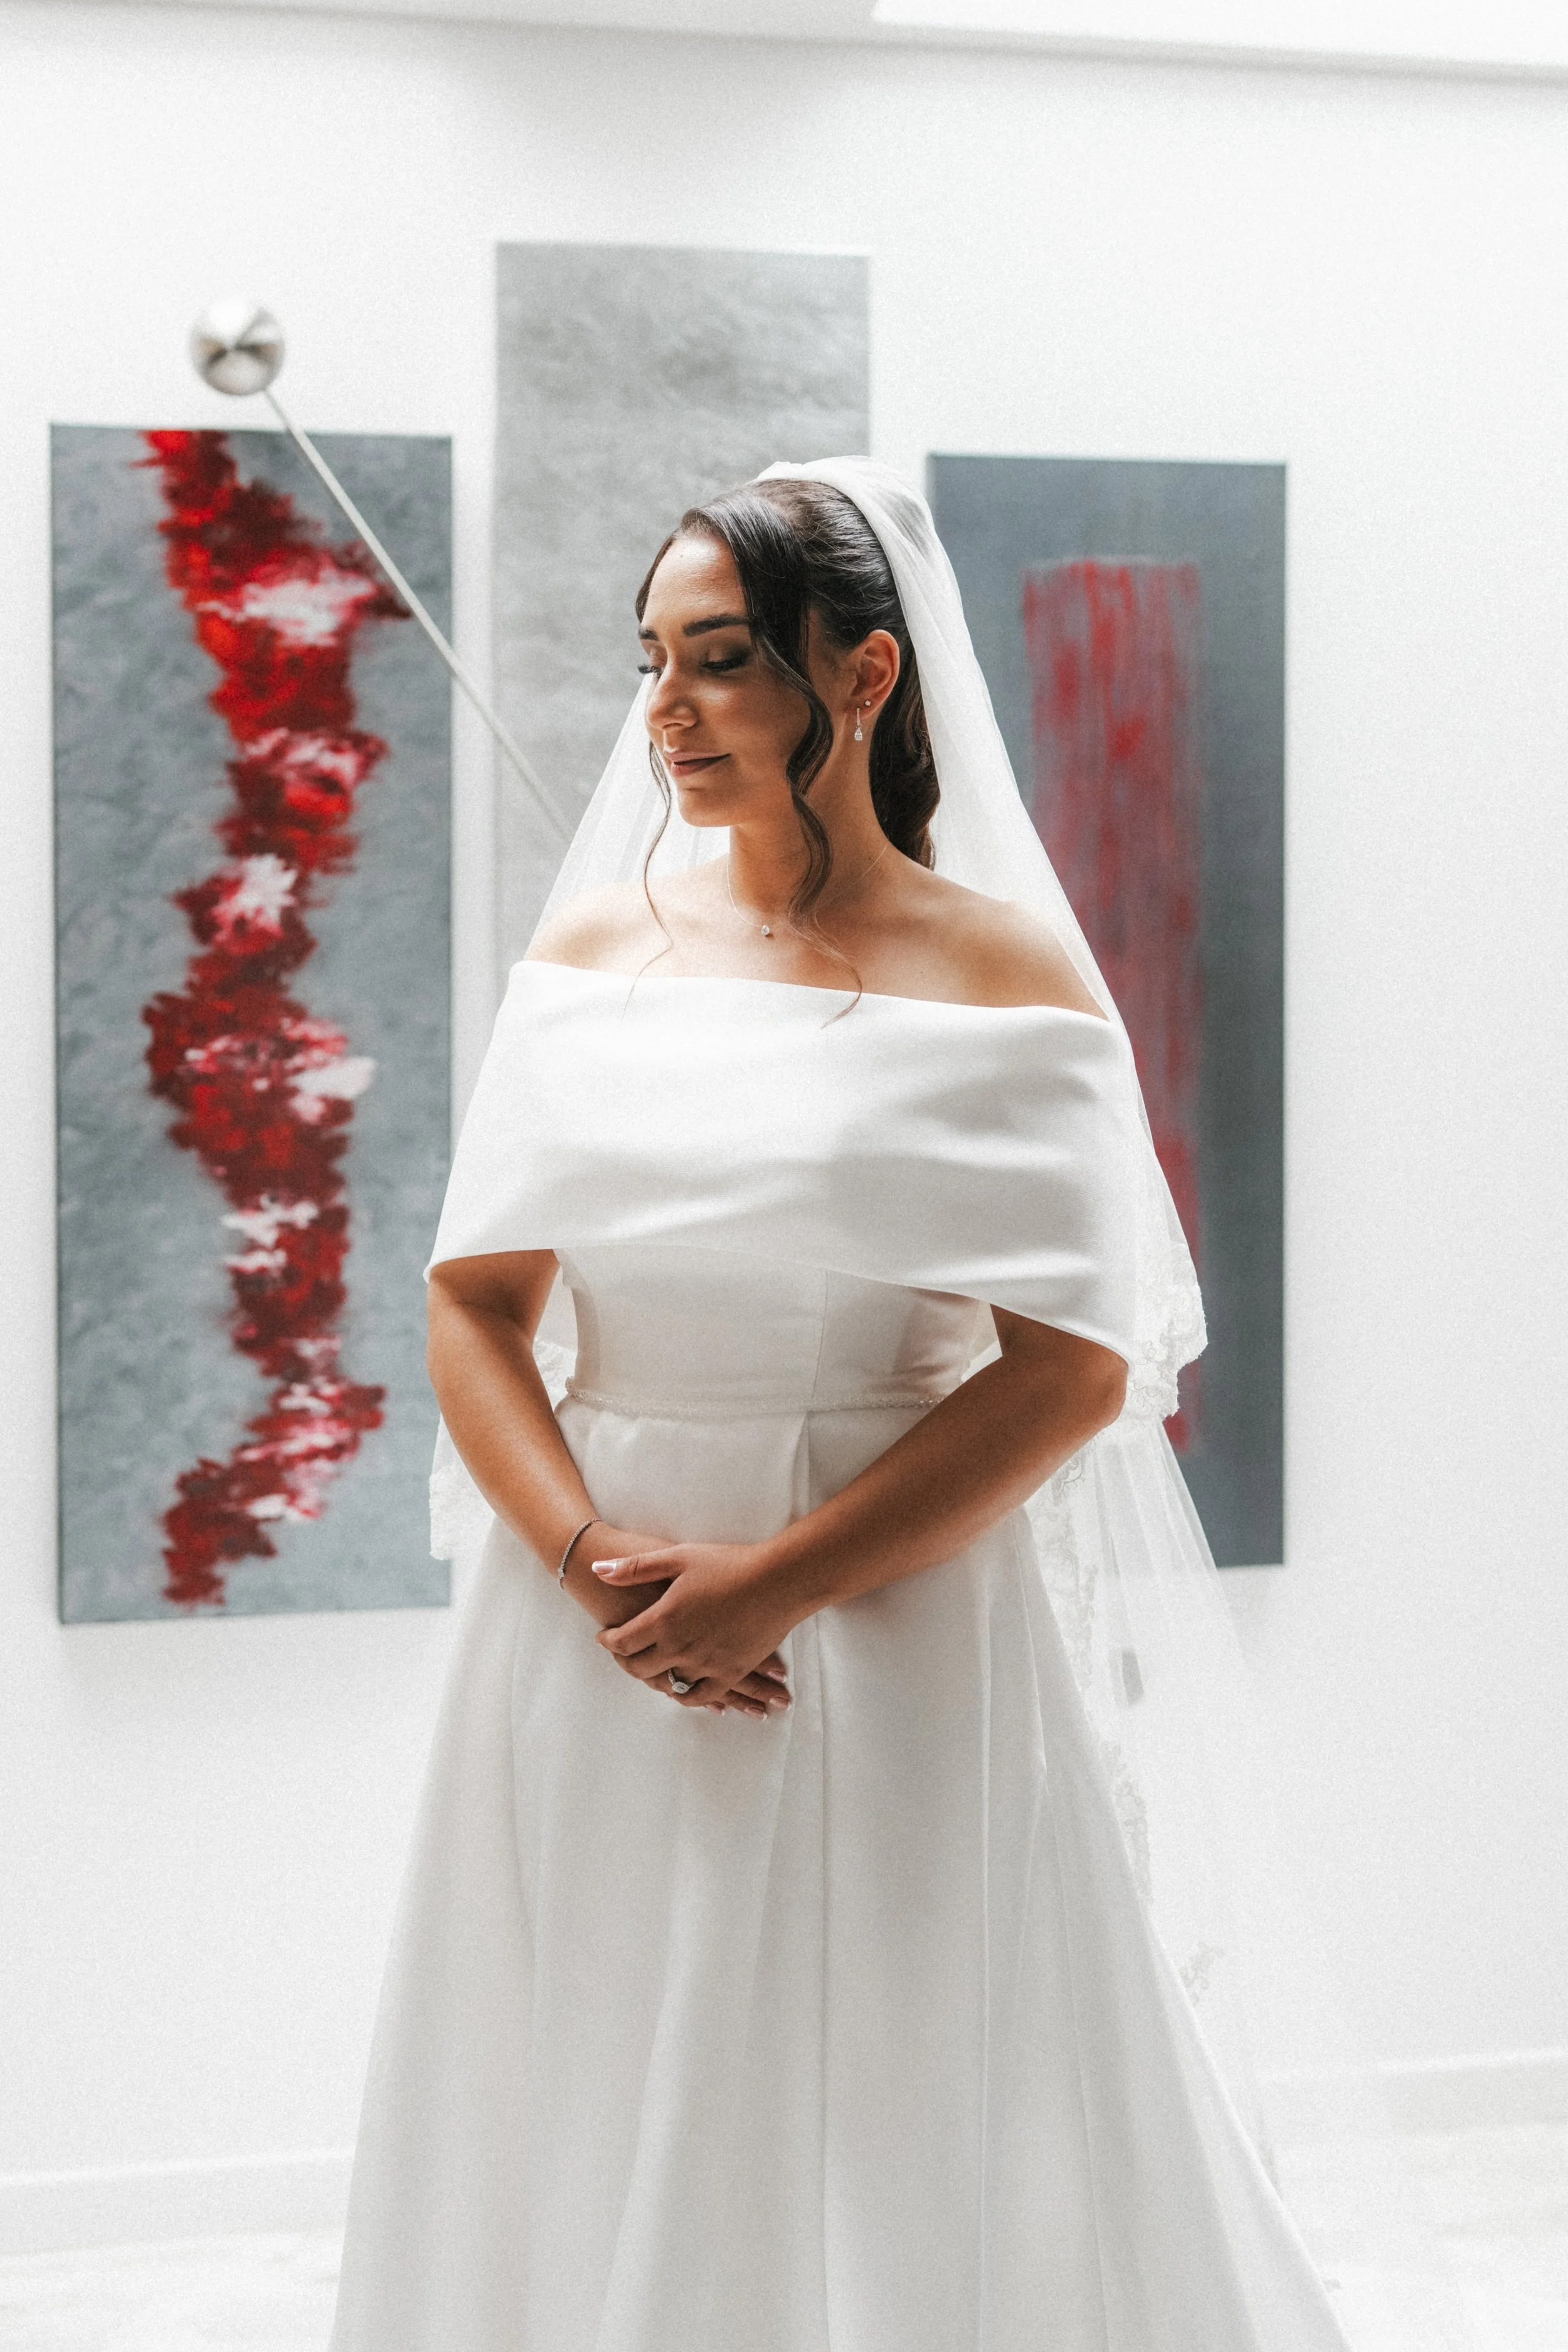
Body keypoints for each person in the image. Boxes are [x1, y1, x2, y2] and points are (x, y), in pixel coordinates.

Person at [328, 460, 1352, 2351]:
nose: (668, 710)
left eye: (720, 660)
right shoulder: (590, 964)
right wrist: (595, 1565)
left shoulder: (1002, 976)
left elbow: (1071, 1370)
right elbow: (472, 1307)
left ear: (862, 673)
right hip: (593, 1616)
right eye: (651, 661)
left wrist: (774, 1582)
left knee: (906, 2072)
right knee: (591, 2045)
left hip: (889, 1605)